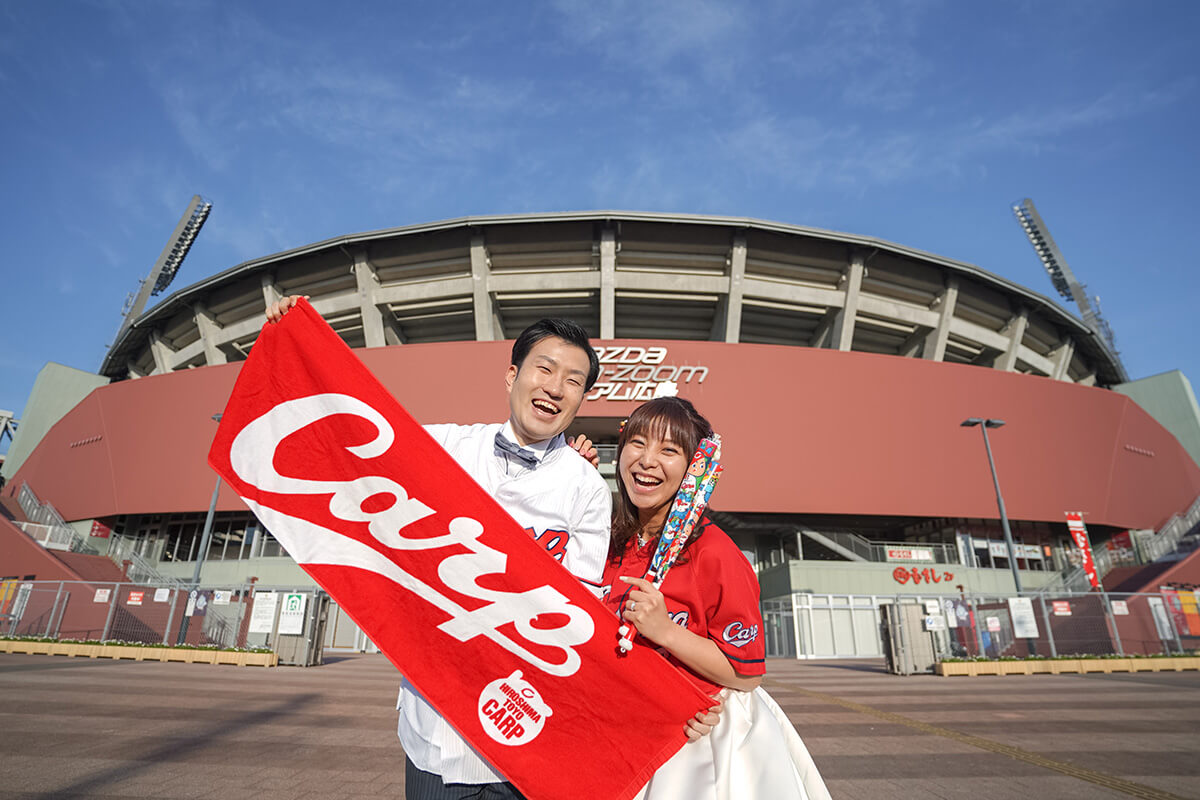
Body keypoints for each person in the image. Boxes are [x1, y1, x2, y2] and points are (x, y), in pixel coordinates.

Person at [266, 297, 716, 799]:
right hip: (433, 723)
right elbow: (344, 440)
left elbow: (584, 612)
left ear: (582, 399)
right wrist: (294, 341)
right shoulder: (440, 448)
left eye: (573, 380)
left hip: (527, 728)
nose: (555, 387)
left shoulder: (586, 487)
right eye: (544, 369)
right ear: (511, 375)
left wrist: (666, 706)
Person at [602, 396, 831, 800]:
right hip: (619, 731)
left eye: (669, 450)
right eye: (637, 443)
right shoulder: (610, 544)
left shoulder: (713, 552)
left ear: (695, 469)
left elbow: (746, 673)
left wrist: (665, 633)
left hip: (697, 748)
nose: (647, 460)